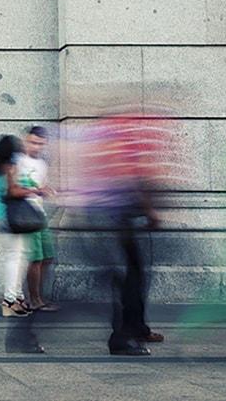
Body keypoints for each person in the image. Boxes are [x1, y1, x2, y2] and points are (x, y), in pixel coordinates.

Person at [73, 112, 168, 356]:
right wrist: (150, 211)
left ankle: (137, 328)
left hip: (113, 217)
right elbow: (134, 176)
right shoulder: (125, 136)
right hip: (110, 218)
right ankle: (121, 338)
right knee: (126, 278)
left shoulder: (112, 133)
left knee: (134, 273)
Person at [0, 135, 46, 318]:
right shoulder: (9, 168)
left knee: (17, 257)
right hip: (11, 216)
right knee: (16, 258)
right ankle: (9, 300)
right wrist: (34, 190)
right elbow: (13, 191)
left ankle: (18, 297)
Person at [19, 127, 60, 312]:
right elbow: (12, 188)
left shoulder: (42, 165)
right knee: (35, 258)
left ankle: (37, 297)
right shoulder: (18, 162)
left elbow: (40, 186)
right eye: (33, 142)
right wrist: (37, 190)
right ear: (26, 140)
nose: (36, 147)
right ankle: (34, 300)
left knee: (46, 257)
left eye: (40, 144)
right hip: (24, 215)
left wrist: (47, 190)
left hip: (39, 213)